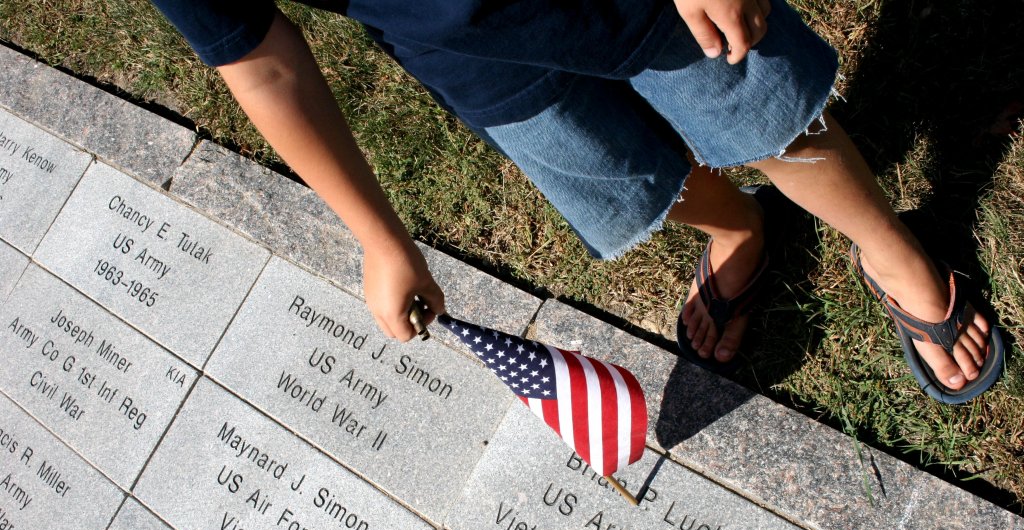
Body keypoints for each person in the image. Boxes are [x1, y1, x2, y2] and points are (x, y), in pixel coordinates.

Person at [149, 0, 1003, 403]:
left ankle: (886, 246)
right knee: (607, 171)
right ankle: (736, 222)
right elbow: (254, 56)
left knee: (756, 110)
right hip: (452, 40)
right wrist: (380, 239)